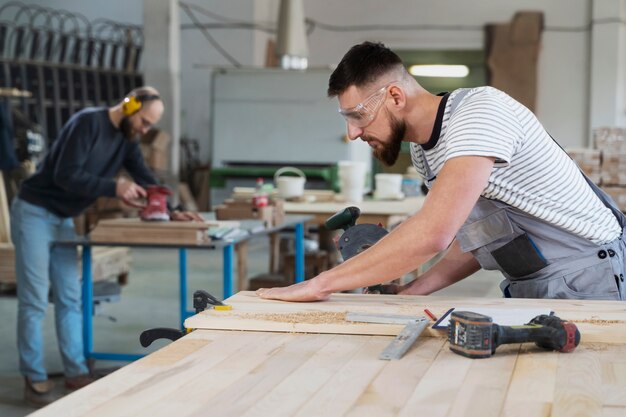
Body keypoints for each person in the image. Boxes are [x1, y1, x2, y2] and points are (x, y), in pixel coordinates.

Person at [257, 41, 626, 303]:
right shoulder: (423, 152)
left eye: (357, 115)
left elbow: (433, 233)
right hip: (535, 282)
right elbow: (480, 237)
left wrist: (320, 285)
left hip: (589, 276)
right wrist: (410, 292)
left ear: (395, 97)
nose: (352, 132)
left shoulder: (480, 113)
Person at [10, 86, 202, 406]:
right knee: (34, 296)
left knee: (71, 295)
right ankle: (33, 375)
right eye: (144, 122)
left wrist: (170, 208)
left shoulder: (127, 139)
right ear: (129, 106)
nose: (145, 130)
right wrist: (115, 186)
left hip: (63, 217)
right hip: (34, 211)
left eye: (150, 125)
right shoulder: (88, 124)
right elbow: (65, 175)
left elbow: (143, 175)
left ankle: (74, 371)